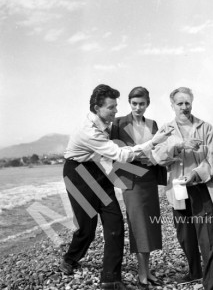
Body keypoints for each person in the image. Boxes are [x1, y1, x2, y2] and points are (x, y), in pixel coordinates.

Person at [60, 84, 171, 290]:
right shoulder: (89, 130)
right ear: (97, 108)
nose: (116, 111)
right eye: (111, 107)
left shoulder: (107, 124)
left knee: (115, 224)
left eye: (115, 106)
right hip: (77, 173)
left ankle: (110, 278)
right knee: (87, 226)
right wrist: (153, 141)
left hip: (97, 170)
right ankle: (70, 258)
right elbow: (121, 155)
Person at [152, 87, 213, 290]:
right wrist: (180, 145)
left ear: (192, 103)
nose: (184, 107)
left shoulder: (206, 128)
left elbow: (212, 160)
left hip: (203, 188)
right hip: (177, 189)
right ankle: (195, 271)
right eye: (179, 103)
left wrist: (195, 175)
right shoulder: (166, 130)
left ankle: (212, 284)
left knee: (209, 238)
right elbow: (157, 158)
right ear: (172, 105)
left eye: (187, 103)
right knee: (185, 236)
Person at [110, 87, 166, 289]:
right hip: (131, 181)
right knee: (138, 225)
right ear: (129, 103)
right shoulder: (118, 123)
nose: (138, 107)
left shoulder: (153, 124)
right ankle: (142, 272)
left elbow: (158, 150)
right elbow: (113, 152)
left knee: (149, 225)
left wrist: (154, 159)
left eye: (142, 103)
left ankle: (147, 270)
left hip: (149, 179)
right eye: (134, 103)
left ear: (147, 104)